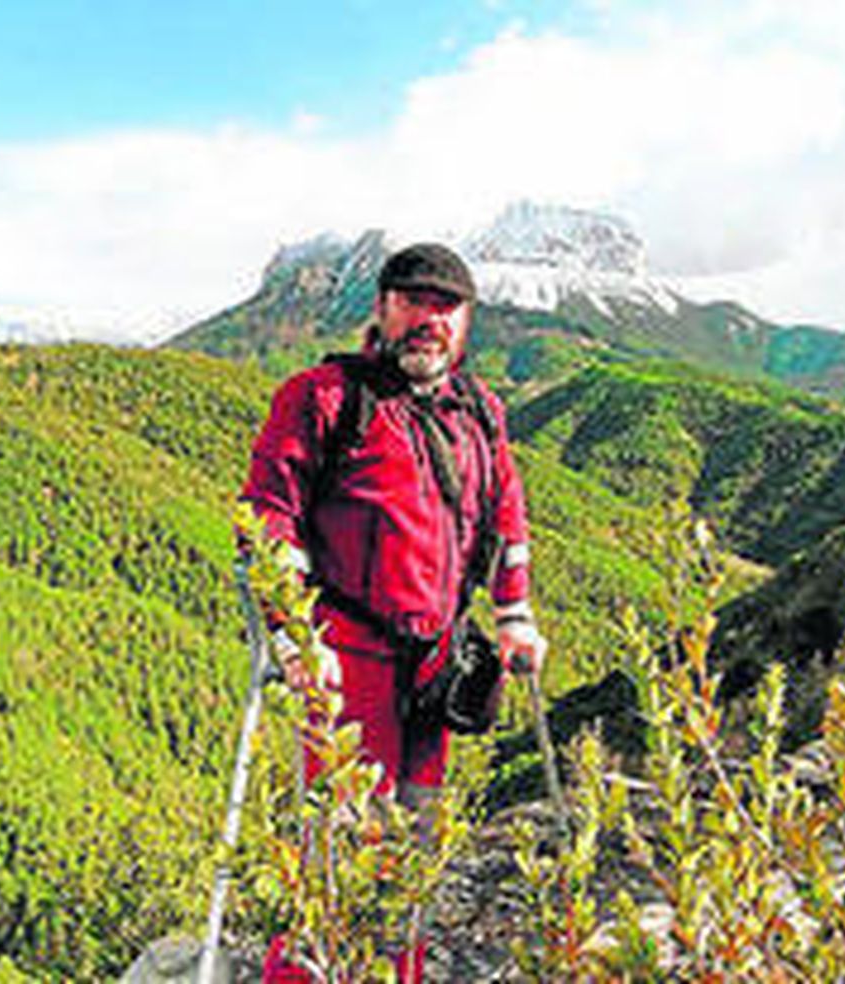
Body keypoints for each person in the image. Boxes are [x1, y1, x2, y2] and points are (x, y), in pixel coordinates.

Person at [239, 242, 545, 980]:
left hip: (437, 665)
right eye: (413, 302)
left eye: (444, 308)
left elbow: (506, 516)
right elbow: (267, 513)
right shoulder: (324, 398)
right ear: (381, 308)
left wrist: (513, 614)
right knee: (344, 846)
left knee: (414, 844)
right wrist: (289, 629)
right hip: (345, 658)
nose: (428, 320)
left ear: (465, 322)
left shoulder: (480, 413)